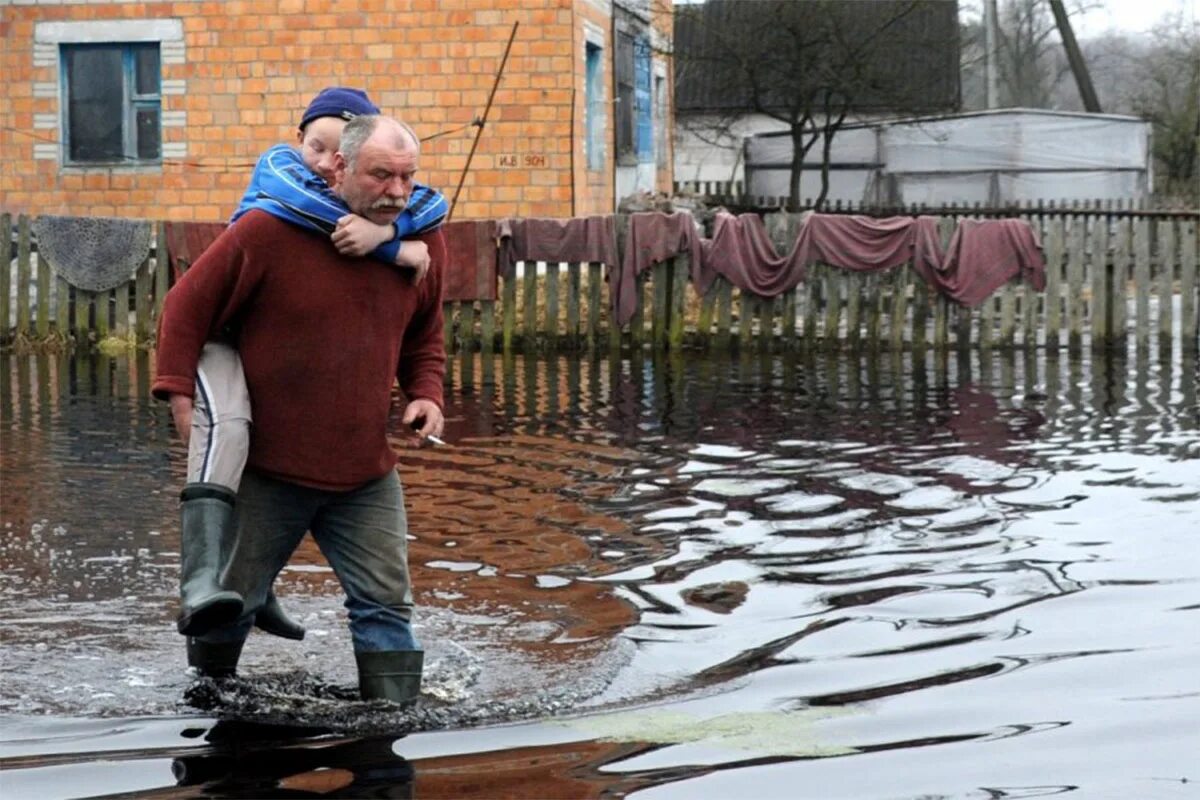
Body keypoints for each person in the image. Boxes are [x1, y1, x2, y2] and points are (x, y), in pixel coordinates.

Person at [154, 113, 446, 704]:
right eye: (381, 176)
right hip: (267, 471)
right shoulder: (268, 230)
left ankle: (388, 737)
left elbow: (425, 335)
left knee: (386, 604)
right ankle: (210, 711)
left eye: (407, 178)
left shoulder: (421, 248)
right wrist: (180, 396)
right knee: (228, 607)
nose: (396, 192)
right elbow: (185, 308)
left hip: (365, 475)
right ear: (340, 165)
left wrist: (426, 394)